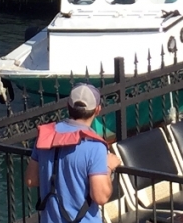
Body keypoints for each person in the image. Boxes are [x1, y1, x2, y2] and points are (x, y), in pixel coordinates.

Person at [25, 84, 120, 223]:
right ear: (98, 110)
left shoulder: (46, 136)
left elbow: (31, 180)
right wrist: (109, 167)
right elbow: (101, 197)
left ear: (67, 106)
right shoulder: (95, 146)